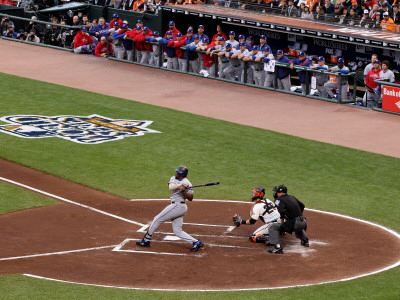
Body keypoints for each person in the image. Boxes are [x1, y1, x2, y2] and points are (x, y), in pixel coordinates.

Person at [136, 166, 204, 252]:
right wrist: (181, 186)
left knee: (157, 219)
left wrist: (183, 191)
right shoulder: (174, 178)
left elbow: (190, 198)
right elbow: (171, 187)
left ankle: (146, 240)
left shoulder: (188, 183)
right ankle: (196, 242)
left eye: (177, 172)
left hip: (178, 206)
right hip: (177, 207)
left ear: (181, 174)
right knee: (177, 231)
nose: (175, 173)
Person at [267, 185, 309, 254]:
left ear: (281, 193)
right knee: (294, 223)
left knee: (273, 227)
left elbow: (282, 211)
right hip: (303, 222)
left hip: (295, 224)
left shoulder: (278, 200)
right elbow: (302, 205)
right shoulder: (292, 197)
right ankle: (305, 240)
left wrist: (282, 219)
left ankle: (277, 247)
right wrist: (298, 214)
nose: (276, 193)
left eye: (277, 192)